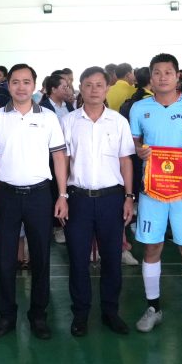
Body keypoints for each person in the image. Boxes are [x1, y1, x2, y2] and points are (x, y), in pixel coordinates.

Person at [129, 53, 182, 337]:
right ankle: (153, 308)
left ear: (178, 76)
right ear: (150, 77)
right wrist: (139, 150)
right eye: (157, 72)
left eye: (168, 72)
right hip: (151, 190)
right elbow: (134, 142)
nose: (162, 77)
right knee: (151, 248)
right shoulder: (139, 108)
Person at [0, 63, 67, 340]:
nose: (20, 87)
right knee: (5, 258)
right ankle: (6, 315)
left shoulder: (48, 117)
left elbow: (59, 157)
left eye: (26, 82)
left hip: (41, 194)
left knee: (41, 257)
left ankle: (38, 315)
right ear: (9, 86)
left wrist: (62, 195)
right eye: (15, 82)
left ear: (34, 85)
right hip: (6, 195)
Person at [60, 67, 135, 336]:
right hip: (78, 198)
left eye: (99, 85)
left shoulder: (118, 122)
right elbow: (62, 162)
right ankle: (80, 313)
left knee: (112, 258)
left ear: (106, 88)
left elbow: (126, 160)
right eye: (88, 84)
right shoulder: (69, 122)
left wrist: (129, 197)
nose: (94, 89)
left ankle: (110, 311)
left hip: (111, 199)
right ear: (80, 87)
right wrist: (62, 196)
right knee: (78, 259)